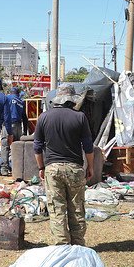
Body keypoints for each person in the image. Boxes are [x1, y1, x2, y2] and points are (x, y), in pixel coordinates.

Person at [34, 84, 94, 246]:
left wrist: (41, 167)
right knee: (76, 208)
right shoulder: (80, 117)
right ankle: (78, 245)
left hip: (52, 169)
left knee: (56, 208)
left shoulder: (44, 117)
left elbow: (37, 148)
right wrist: (90, 167)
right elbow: (88, 147)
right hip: (74, 168)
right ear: (71, 100)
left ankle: (62, 246)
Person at [0, 86, 29, 175]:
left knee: (5, 146)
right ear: (17, 93)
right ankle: (16, 169)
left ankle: (4, 169)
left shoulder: (6, 98)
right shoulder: (21, 101)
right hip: (18, 127)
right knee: (17, 147)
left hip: (8, 125)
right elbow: (25, 117)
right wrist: (24, 131)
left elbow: (1, 112)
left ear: (10, 92)